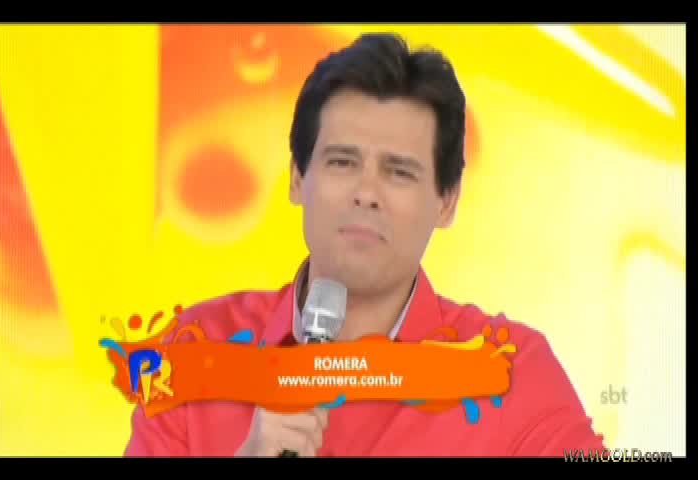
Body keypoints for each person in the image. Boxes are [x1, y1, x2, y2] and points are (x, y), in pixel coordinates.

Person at [125, 32, 605, 457]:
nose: (366, 193)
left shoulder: (511, 372)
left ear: (446, 203)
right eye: (342, 162)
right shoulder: (192, 353)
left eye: (399, 172)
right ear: (297, 179)